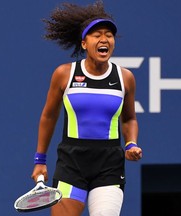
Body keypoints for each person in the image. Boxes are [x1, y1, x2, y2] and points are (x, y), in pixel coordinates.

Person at [31, 1, 143, 215]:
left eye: (109, 35)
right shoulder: (64, 74)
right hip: (71, 164)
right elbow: (48, 116)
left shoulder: (125, 77)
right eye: (97, 34)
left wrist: (131, 143)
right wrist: (40, 160)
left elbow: (129, 119)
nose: (104, 39)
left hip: (109, 164)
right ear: (84, 43)